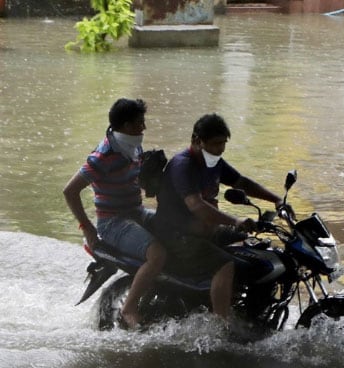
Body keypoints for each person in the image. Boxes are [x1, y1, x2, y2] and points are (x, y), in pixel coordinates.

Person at [155, 113, 283, 321]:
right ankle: (221, 325)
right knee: (224, 263)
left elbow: (242, 182)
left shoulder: (214, 163)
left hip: (204, 230)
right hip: (178, 235)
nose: (220, 149)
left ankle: (251, 312)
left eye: (223, 143)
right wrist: (235, 221)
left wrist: (276, 199)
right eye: (215, 144)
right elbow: (196, 206)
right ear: (197, 141)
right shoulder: (183, 165)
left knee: (257, 251)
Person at [63, 98, 167, 329]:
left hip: (136, 212)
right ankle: (129, 308)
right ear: (126, 126)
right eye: (140, 123)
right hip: (113, 223)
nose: (144, 128)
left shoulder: (132, 146)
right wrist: (87, 227)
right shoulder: (103, 156)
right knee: (157, 255)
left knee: (176, 230)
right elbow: (70, 191)